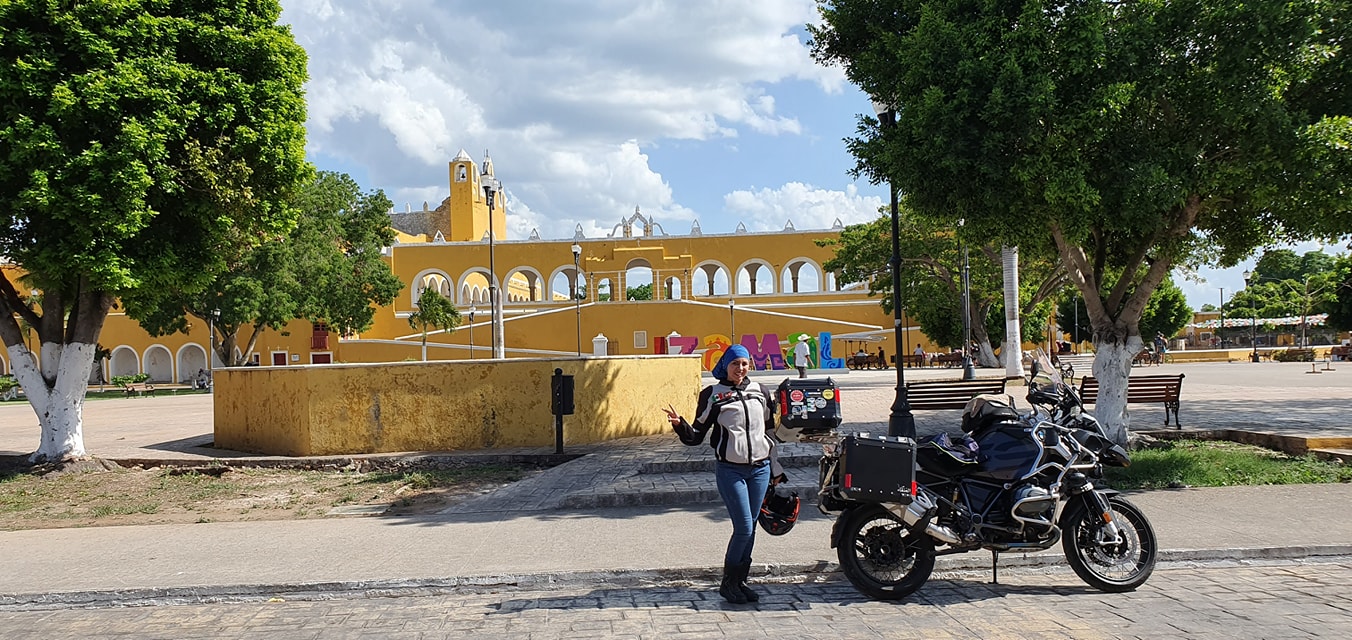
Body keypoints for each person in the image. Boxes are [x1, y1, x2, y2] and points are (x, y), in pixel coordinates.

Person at [663, 345, 783, 604]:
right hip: (731, 470)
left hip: (760, 469)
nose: (740, 369)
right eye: (735, 364)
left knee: (751, 530)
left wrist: (776, 469)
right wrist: (679, 424)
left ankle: (740, 582)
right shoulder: (714, 395)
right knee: (744, 527)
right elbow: (696, 436)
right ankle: (728, 584)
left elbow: (770, 432)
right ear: (725, 366)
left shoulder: (761, 392)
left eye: (744, 363)